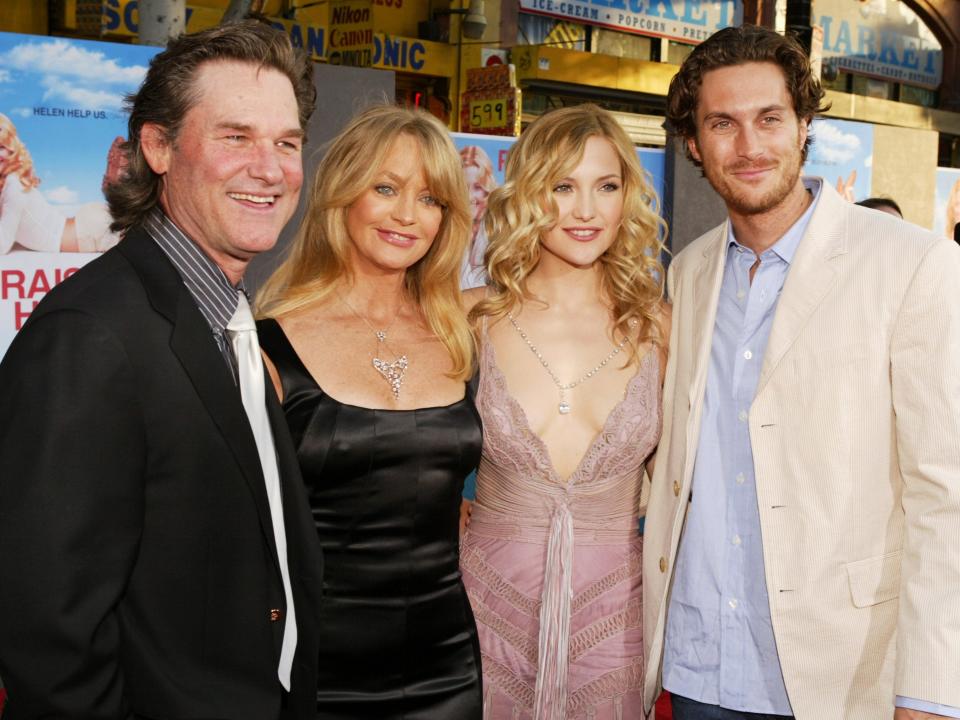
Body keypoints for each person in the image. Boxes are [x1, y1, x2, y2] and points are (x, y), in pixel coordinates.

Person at [0, 21, 322, 719]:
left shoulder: (223, 316)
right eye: (236, 137)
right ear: (157, 146)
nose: (270, 168)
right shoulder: (90, 339)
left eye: (287, 143)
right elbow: (48, 637)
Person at [643, 24, 960, 720]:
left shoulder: (911, 264)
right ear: (694, 143)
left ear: (805, 124)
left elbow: (946, 493)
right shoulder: (689, 271)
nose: (749, 146)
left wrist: (930, 691)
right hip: (701, 666)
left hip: (840, 675)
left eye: (770, 119)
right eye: (722, 123)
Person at [255, 104, 483, 718]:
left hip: (448, 665)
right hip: (312, 670)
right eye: (386, 188)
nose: (408, 215)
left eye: (431, 199)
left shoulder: (460, 334)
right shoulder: (266, 345)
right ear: (342, 194)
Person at [460, 103, 669, 719]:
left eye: (606, 187)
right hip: (481, 608)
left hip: (617, 619)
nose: (585, 210)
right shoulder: (470, 315)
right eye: (562, 186)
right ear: (528, 194)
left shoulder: (660, 327)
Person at [0, 112, 119, 253]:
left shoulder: (13, 185)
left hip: (87, 232)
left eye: (1, 147)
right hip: (82, 225)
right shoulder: (10, 182)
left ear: (12, 148)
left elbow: (3, 244)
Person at [460, 144, 499, 289]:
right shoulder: (441, 228)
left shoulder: (502, 232)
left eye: (477, 187)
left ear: (488, 188)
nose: (470, 196)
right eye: (464, 187)